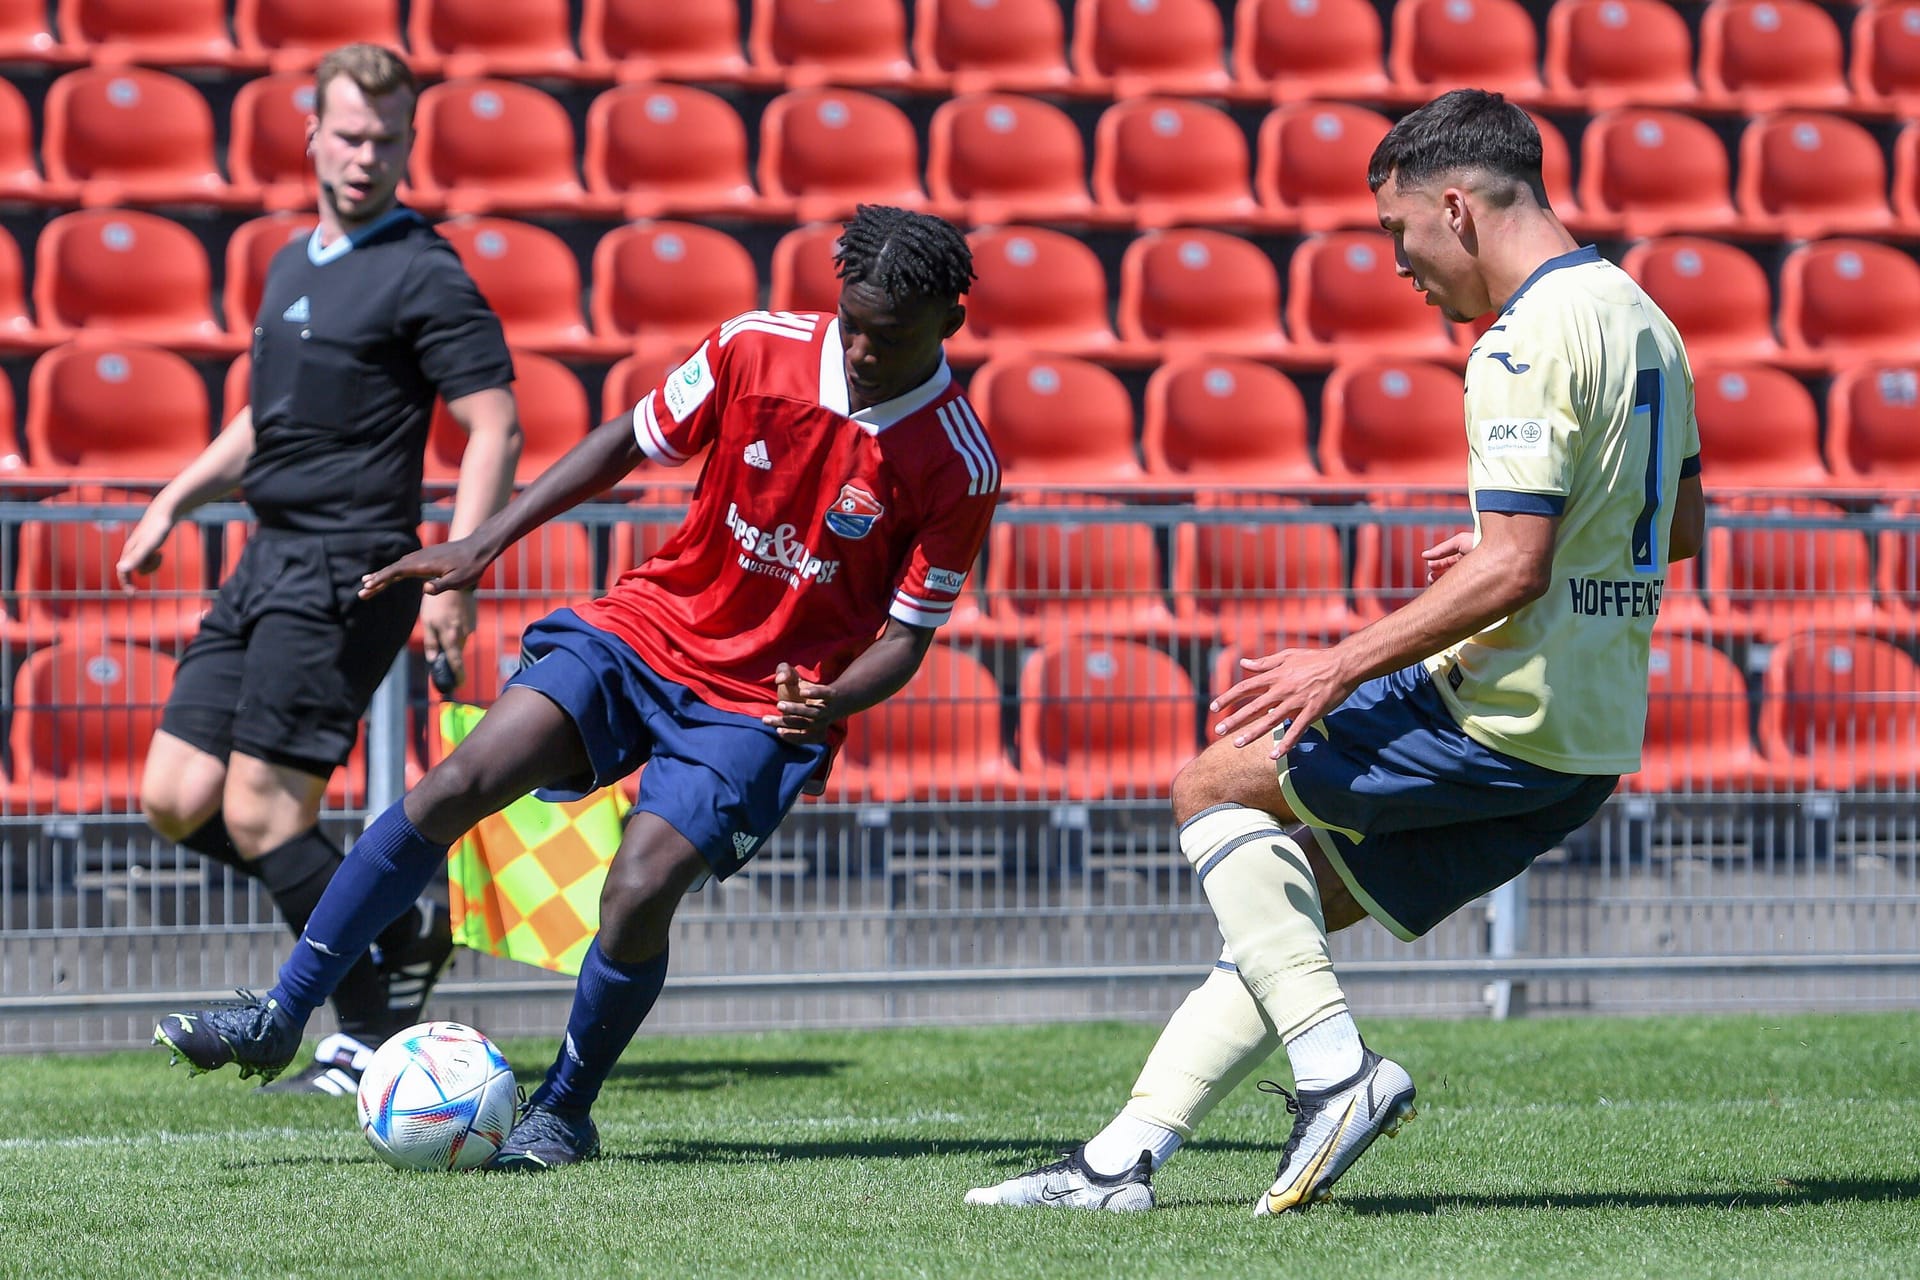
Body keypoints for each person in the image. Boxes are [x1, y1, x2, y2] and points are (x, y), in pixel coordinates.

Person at [967, 88, 1707, 1216]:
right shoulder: (1643, 314)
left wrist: (1341, 662)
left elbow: (1515, 571)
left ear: (1455, 209)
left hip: (1501, 711)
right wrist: (1526, 535)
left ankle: (1338, 1075)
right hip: (1590, 737)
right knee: (1286, 915)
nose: (1401, 265)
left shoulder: (1520, 340)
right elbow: (1680, 526)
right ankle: (1121, 1161)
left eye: (1397, 232)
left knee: (1211, 783)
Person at [152, 203, 1000, 1169]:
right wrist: (486, 539)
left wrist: (835, 701)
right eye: (849, 320)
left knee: (638, 889)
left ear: (950, 325)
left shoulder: (958, 463)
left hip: (764, 701)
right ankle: (280, 1013)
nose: (858, 348)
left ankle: (566, 1108)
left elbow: (905, 638)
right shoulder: (753, 348)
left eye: (887, 336)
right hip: (646, 629)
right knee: (454, 785)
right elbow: (625, 441)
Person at [120, 43, 522, 1096]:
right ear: (311, 135)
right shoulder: (296, 258)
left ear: (408, 146)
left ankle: (353, 1035)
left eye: (388, 139)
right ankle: (389, 924)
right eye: (349, 135)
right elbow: (269, 417)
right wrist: (175, 497)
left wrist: (456, 573)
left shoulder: (426, 270)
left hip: (349, 565)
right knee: (174, 795)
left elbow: (494, 425)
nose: (366, 155)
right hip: (265, 554)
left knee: (261, 813)